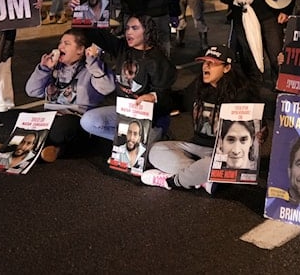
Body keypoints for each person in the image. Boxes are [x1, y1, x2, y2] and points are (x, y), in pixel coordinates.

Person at [141, 44, 261, 191]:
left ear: (227, 68)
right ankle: (201, 179)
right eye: (205, 62)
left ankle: (172, 181)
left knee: (213, 164)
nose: (206, 67)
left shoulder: (242, 94)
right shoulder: (198, 86)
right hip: (195, 148)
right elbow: (177, 99)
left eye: (212, 63)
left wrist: (261, 134)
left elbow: (257, 127)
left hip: (221, 154)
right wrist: (153, 97)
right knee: (156, 150)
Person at [79, 14, 176, 144]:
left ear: (147, 32)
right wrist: (81, 11)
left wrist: (153, 97)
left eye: (135, 28)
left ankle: (158, 137)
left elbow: (167, 99)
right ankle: (123, 143)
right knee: (89, 121)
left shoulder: (158, 60)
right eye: (127, 28)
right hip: (124, 112)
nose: (129, 32)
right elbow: (94, 33)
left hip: (151, 118)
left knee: (144, 153)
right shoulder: (122, 48)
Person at [24, 29, 115, 160]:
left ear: (80, 50)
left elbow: (107, 87)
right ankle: (47, 149)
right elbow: (32, 91)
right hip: (50, 117)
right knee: (9, 116)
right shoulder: (54, 67)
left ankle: (38, 146)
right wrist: (44, 69)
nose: (60, 47)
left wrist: (93, 62)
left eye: (66, 43)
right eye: (60, 42)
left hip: (75, 120)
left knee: (62, 128)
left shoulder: (91, 68)